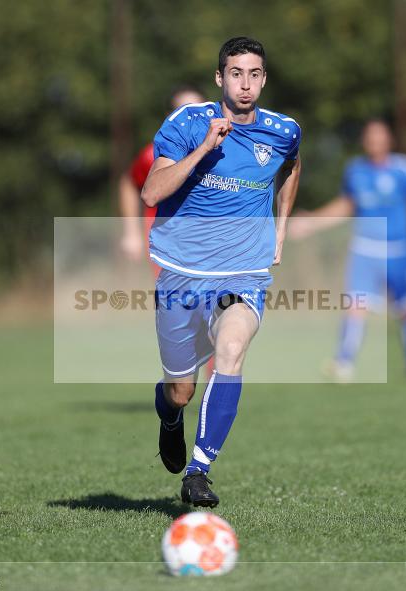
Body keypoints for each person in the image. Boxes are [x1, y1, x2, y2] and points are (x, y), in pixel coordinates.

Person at [141, 37, 301, 507]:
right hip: (181, 273)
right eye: (235, 73)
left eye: (254, 74)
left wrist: (281, 227)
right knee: (180, 389)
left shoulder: (283, 130)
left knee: (231, 350)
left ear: (264, 79)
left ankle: (198, 471)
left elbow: (291, 166)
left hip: (244, 273)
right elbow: (152, 193)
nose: (245, 84)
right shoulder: (189, 124)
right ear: (219, 78)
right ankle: (169, 416)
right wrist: (204, 150)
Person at [288, 119, 406, 380]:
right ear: (365, 141)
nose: (375, 141)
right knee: (356, 305)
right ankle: (344, 362)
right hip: (365, 249)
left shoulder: (404, 169)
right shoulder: (356, 170)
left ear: (389, 140)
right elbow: (347, 206)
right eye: (370, 137)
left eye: (380, 136)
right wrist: (312, 222)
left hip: (400, 250)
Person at [118, 86, 205, 264]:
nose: (190, 119)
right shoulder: (156, 156)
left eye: (196, 111)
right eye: (182, 111)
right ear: (170, 117)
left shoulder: (222, 154)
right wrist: (131, 233)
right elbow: (128, 182)